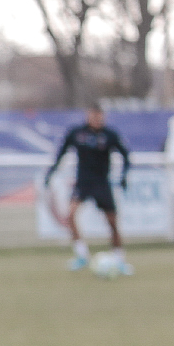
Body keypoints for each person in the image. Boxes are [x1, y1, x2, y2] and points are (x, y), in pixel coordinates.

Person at [44, 104, 132, 274]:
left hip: (102, 184)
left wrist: (124, 176)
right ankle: (82, 255)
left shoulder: (110, 135)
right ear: (88, 116)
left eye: (100, 117)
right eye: (94, 116)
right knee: (70, 216)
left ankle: (119, 259)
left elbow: (126, 157)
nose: (97, 120)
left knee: (112, 223)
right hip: (83, 183)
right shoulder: (77, 133)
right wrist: (51, 173)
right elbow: (60, 153)